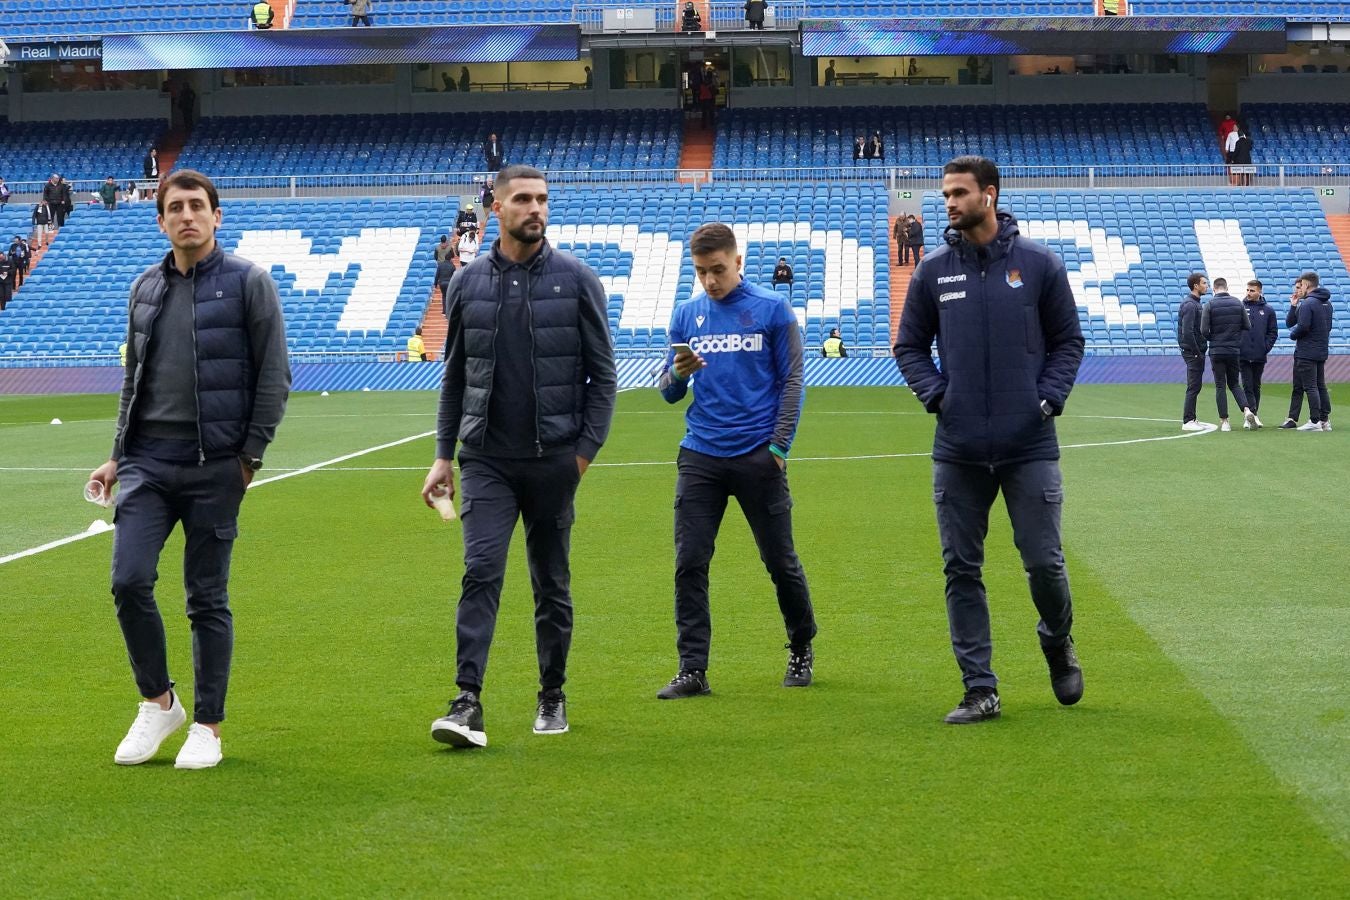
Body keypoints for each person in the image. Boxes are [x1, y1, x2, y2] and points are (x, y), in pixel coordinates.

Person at [86, 169, 291, 770]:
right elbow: (134, 380)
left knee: (206, 597)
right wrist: (118, 455)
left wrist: (248, 459)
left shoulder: (250, 283)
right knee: (128, 581)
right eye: (175, 208)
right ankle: (159, 701)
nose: (187, 216)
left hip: (215, 466)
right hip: (148, 462)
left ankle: (208, 724)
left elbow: (274, 377)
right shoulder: (145, 288)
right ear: (161, 220)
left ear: (216, 216)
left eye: (197, 206)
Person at [422, 164, 617, 748]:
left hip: (554, 460)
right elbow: (455, 376)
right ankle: (466, 702)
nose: (536, 208)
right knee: (480, 572)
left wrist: (580, 457)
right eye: (524, 199)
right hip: (485, 460)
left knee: (550, 582)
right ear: (496, 209)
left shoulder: (578, 280)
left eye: (543, 199)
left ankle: (552, 694)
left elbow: (602, 379)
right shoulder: (467, 283)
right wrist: (442, 456)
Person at [894, 155, 1085, 725]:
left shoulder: (1040, 265)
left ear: (990, 195)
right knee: (961, 569)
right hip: (959, 449)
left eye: (958, 193)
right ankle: (980, 688)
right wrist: (938, 396)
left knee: (1045, 564)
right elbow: (908, 347)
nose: (948, 203)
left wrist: (1045, 400)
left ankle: (1057, 638)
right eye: (945, 194)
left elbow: (1068, 341)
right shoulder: (933, 272)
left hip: (1029, 444)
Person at [656, 223, 816, 700]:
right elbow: (668, 391)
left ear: (738, 261)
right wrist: (676, 376)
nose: (710, 280)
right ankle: (692, 668)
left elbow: (792, 381)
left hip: (757, 457)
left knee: (779, 561)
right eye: (702, 271)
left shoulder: (772, 310)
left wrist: (779, 447)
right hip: (701, 454)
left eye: (718, 270)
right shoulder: (687, 316)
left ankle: (801, 644)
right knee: (689, 562)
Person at [1200, 277, 1259, 432]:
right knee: (1234, 384)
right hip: (1233, 350)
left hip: (1217, 350)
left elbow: (1204, 330)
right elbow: (1247, 325)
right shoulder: (1238, 303)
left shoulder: (1209, 305)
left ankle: (1225, 421)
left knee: (1220, 385)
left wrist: (1214, 339)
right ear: (1227, 287)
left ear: (1214, 289)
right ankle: (1247, 410)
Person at [1288, 271, 1333, 431]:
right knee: (1320, 385)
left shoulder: (1308, 303)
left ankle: (1314, 421)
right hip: (1321, 350)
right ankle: (1324, 420)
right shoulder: (1327, 303)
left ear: (1306, 285)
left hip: (1307, 351)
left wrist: (1293, 336)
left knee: (1311, 387)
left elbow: (1303, 326)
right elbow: (1328, 327)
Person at [1238, 279, 1278, 424]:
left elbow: (1273, 333)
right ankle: (1251, 416)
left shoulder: (1268, 310)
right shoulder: (1240, 307)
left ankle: (1254, 414)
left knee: (1256, 386)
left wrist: (1265, 347)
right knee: (1247, 385)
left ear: (1260, 291)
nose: (1248, 293)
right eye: (1247, 290)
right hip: (1243, 355)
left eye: (1252, 290)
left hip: (1259, 355)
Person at [1178, 272, 1210, 431]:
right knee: (1193, 386)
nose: (1207, 286)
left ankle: (1192, 418)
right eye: (1204, 283)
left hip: (1196, 350)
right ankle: (1188, 420)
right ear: (1196, 285)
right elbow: (1188, 332)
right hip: (1193, 352)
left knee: (1196, 385)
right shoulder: (1190, 305)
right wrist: (1197, 352)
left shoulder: (1196, 304)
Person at [1279, 278, 1309, 428]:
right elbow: (1289, 323)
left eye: (1299, 287)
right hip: (1300, 351)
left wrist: (1293, 335)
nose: (1296, 290)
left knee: (1314, 387)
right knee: (1298, 386)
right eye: (1295, 287)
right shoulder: (1301, 306)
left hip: (1311, 352)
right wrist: (1293, 306)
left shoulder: (1311, 305)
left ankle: (1320, 418)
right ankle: (1292, 418)